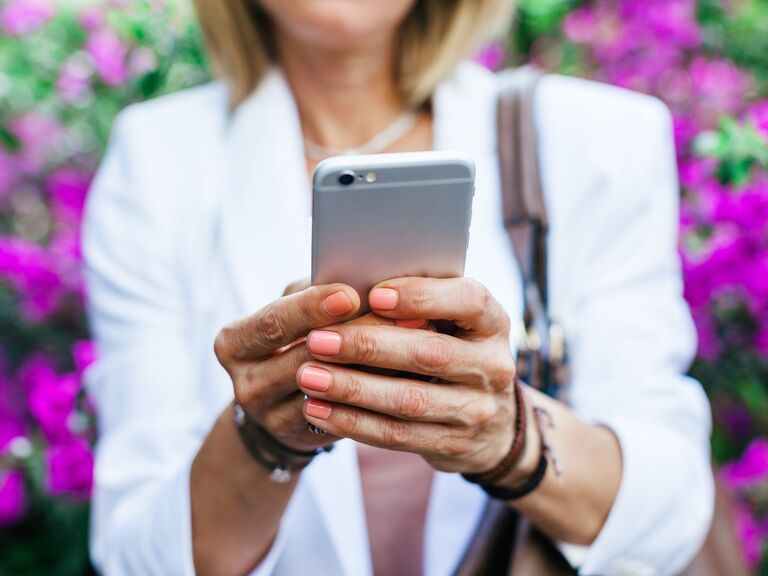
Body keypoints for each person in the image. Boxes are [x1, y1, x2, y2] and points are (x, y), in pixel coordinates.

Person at [82, 1, 714, 574]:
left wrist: (508, 437)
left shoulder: (597, 141)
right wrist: (261, 437)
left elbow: (667, 512)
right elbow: (140, 555)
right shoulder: (158, 163)